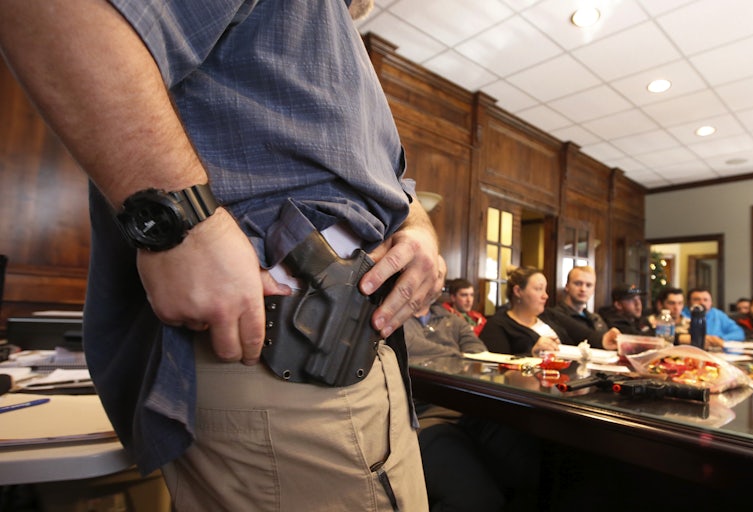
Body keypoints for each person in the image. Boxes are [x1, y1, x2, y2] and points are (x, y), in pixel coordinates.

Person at [0, 2, 443, 510]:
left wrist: (416, 224)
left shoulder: (331, 37)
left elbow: (386, 182)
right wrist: (185, 224)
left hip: (340, 350)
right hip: (279, 354)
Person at [404, 295, 539, 511]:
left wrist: (455, 357)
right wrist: (457, 355)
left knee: (535, 462)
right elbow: (407, 351)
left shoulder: (452, 320)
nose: (434, 279)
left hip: (470, 409)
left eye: (440, 277)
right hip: (419, 417)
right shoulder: (394, 317)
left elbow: (480, 356)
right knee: (478, 499)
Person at [480, 266, 618, 356]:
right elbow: (497, 368)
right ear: (518, 291)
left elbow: (583, 334)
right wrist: (532, 354)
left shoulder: (549, 315)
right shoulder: (497, 326)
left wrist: (604, 340)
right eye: (538, 289)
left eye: (545, 290)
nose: (545, 296)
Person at [550, 266, 607, 333]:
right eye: (578, 284)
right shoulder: (554, 317)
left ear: (593, 289)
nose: (583, 289)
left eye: (588, 285)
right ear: (567, 286)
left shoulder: (596, 319)